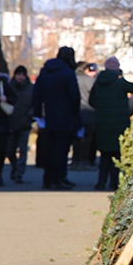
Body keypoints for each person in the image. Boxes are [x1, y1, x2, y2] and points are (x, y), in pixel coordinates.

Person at [89, 57, 133, 190]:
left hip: (102, 124)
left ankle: (101, 182)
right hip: (119, 124)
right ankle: (114, 183)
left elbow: (92, 101)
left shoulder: (98, 83)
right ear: (117, 68)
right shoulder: (120, 83)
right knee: (117, 154)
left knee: (104, 155)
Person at [32, 46, 81, 190]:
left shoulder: (45, 71)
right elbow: (75, 97)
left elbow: (37, 94)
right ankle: (59, 178)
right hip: (65, 117)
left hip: (48, 117)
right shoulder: (68, 73)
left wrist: (38, 115)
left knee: (50, 149)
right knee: (61, 150)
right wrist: (76, 115)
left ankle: (48, 179)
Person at [5, 65, 35, 183]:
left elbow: (35, 103)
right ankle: (14, 166)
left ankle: (19, 173)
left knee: (23, 149)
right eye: (19, 75)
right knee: (10, 150)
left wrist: (30, 115)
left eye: (23, 75)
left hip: (25, 122)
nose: (21, 77)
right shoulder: (9, 87)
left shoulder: (31, 88)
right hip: (11, 122)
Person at [73, 61, 99, 171]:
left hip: (76, 113)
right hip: (89, 113)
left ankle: (76, 161)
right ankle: (85, 162)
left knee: (76, 139)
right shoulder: (90, 81)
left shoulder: (73, 79)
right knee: (88, 140)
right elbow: (95, 96)